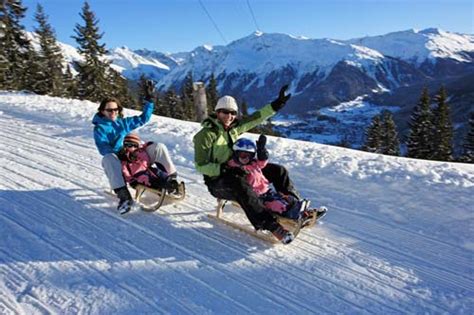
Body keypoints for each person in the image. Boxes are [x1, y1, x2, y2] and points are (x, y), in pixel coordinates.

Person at [193, 85, 301, 244]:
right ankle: (271, 226)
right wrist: (221, 168)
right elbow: (200, 165)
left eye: (232, 113)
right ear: (217, 112)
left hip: (239, 170)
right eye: (224, 112)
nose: (228, 116)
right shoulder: (205, 135)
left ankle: (292, 204)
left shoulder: (233, 129)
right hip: (217, 181)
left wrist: (276, 105)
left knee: (278, 170)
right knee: (240, 184)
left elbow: (256, 117)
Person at [92, 81, 179, 214]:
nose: (113, 112)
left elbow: (143, 118)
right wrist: (119, 151)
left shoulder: (123, 123)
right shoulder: (100, 128)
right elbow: (103, 148)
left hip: (133, 155)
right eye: (109, 110)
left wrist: (149, 101)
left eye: (116, 109)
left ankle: (171, 180)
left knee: (158, 147)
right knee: (108, 158)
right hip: (118, 161)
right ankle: (124, 197)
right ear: (102, 111)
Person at [227, 136, 327, 224]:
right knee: (276, 205)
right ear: (235, 154)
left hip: (267, 192)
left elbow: (262, 162)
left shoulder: (253, 164)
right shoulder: (237, 167)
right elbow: (234, 174)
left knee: (285, 198)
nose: (245, 158)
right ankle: (292, 214)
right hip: (257, 197)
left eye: (249, 155)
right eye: (242, 155)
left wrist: (262, 151)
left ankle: (302, 210)